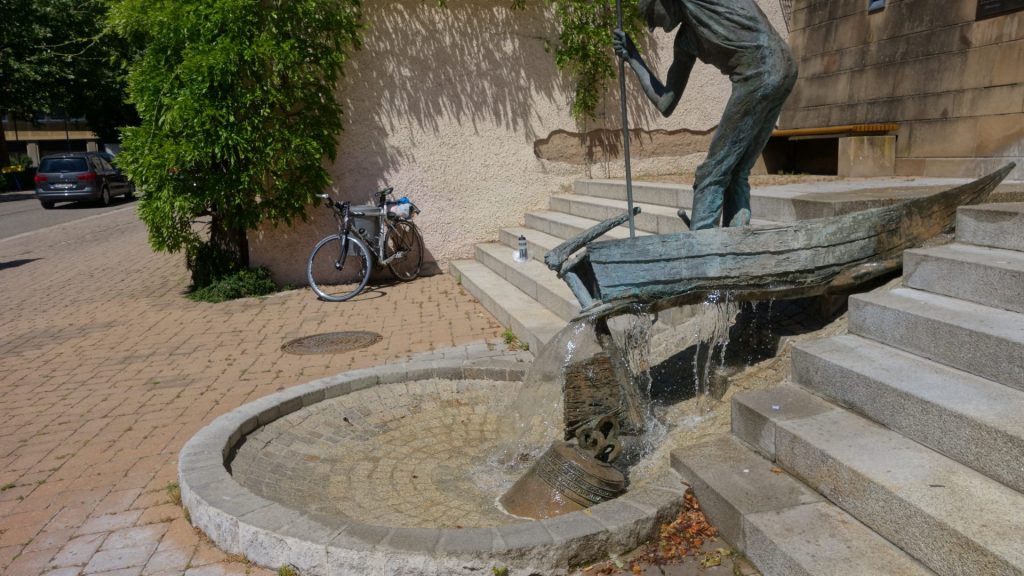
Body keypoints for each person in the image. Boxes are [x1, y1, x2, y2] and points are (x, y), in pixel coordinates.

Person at [613, 0, 797, 230]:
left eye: (652, 16)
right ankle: (736, 244)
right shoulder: (686, 41)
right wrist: (633, 57)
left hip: (759, 73)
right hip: (785, 69)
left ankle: (701, 253)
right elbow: (666, 103)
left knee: (710, 174)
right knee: (737, 171)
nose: (655, 26)